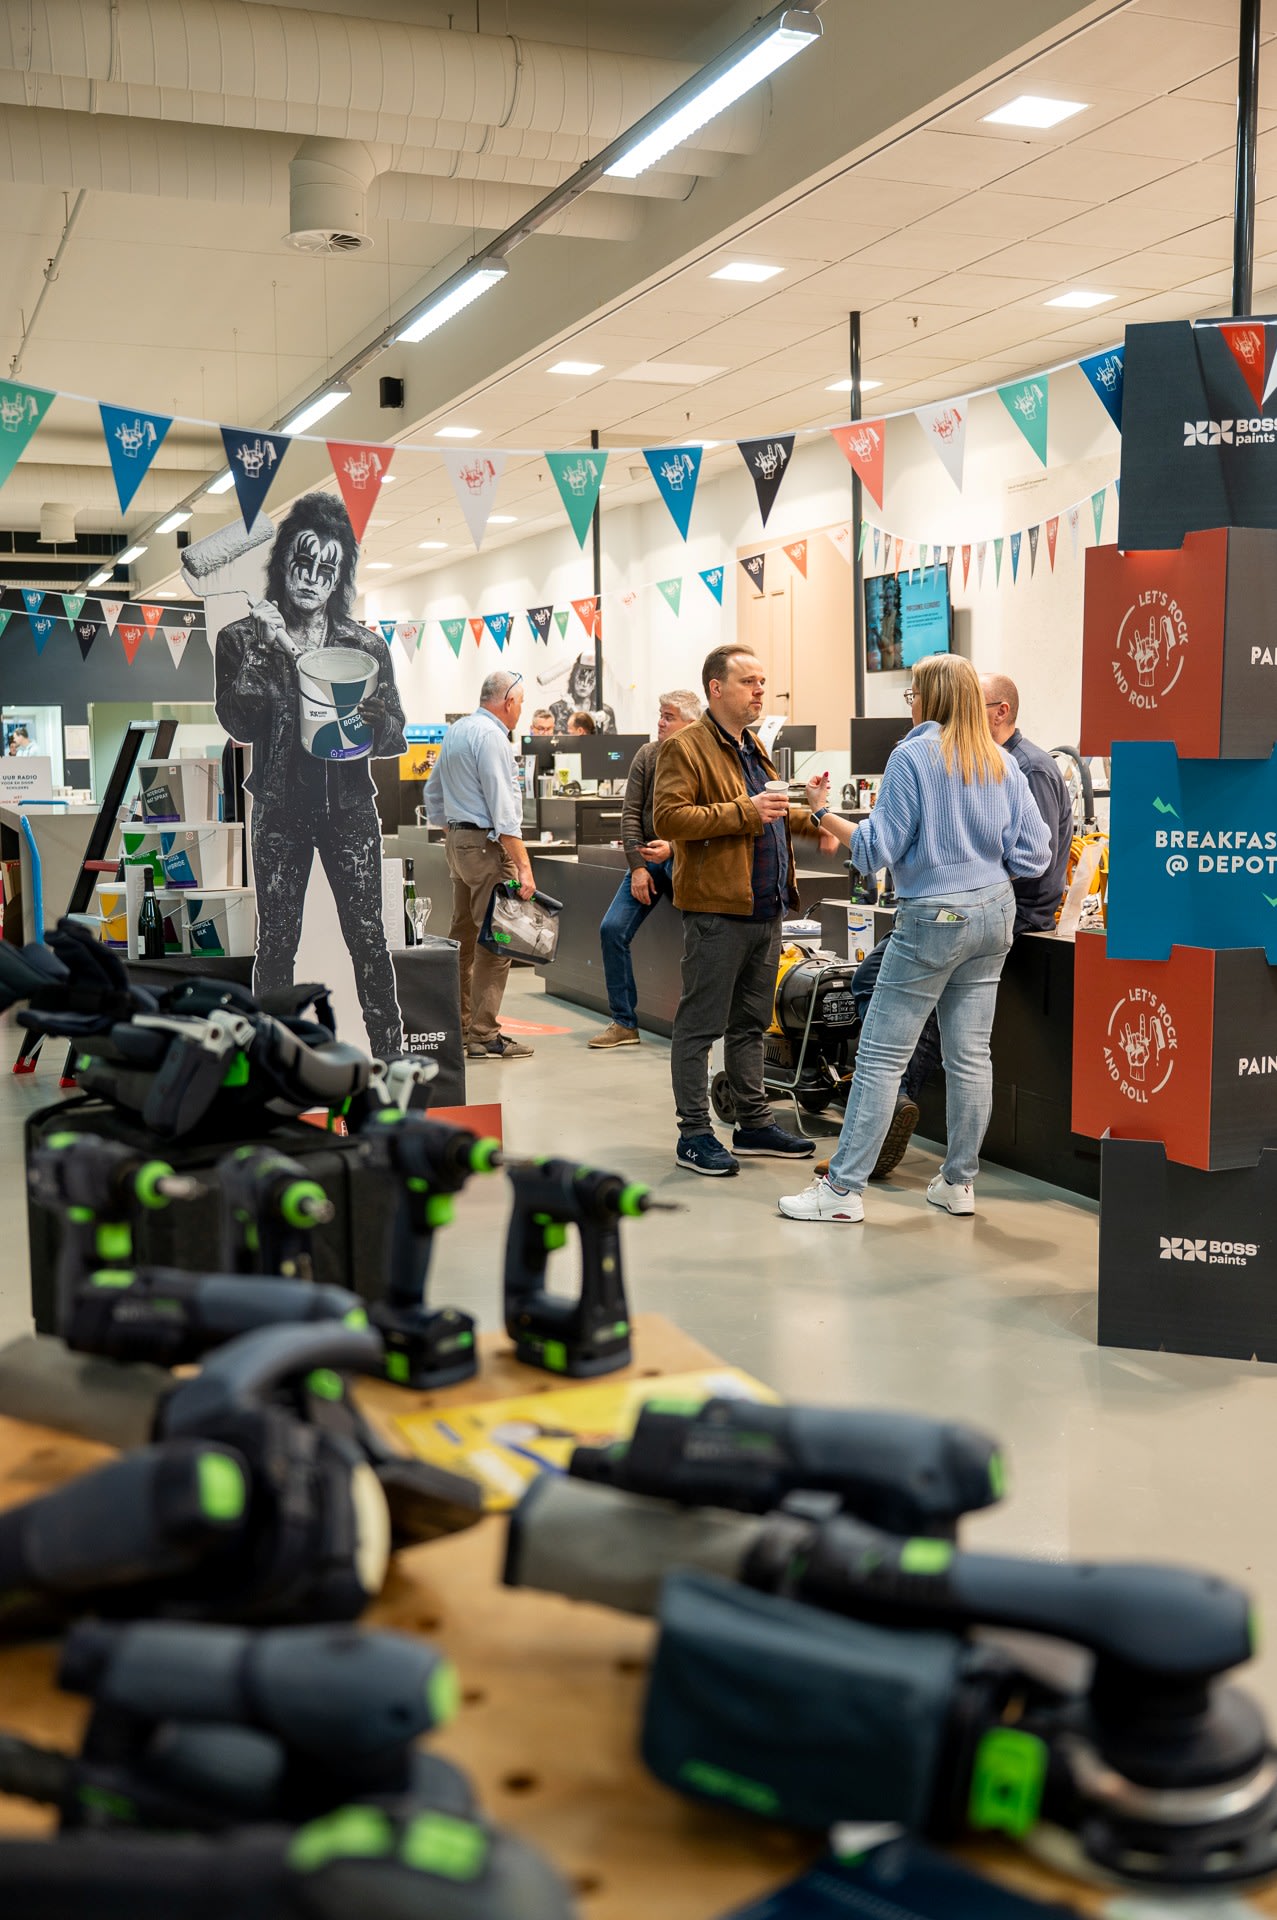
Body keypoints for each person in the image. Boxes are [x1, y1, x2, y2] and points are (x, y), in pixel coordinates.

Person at [778, 653, 1050, 1223]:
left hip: (934, 917)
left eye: (912, 695)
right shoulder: (1002, 762)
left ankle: (843, 1192)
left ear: (928, 698)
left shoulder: (914, 755)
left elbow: (876, 848)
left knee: (880, 1056)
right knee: (971, 1056)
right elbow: (1035, 854)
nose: (910, 706)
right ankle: (958, 1183)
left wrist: (822, 811)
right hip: (995, 915)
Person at [214, 493, 407, 1058]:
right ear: (283, 564)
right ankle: (267, 1064)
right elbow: (239, 722)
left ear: (341, 573)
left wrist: (376, 721)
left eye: (328, 567)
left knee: (370, 940)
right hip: (280, 809)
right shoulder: (242, 639)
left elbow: (394, 733)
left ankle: (391, 1063)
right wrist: (265, 650)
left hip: (350, 808)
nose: (312, 578)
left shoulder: (363, 646)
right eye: (302, 562)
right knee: (275, 943)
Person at [653, 646, 827, 1176]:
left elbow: (765, 811)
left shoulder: (753, 745)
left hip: (766, 907)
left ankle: (752, 1122)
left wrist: (808, 817)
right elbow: (670, 818)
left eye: (762, 681)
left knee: (750, 1023)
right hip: (717, 911)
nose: (760, 691)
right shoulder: (685, 748)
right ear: (716, 689)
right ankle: (694, 1133)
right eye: (749, 681)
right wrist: (745, 812)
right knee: (700, 1025)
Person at [424, 668, 538, 1062]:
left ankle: (458, 1024)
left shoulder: (457, 730)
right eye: (521, 704)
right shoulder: (492, 736)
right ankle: (484, 1034)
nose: (520, 711)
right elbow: (503, 808)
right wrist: (523, 866)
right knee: (498, 941)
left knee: (464, 937)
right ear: (508, 702)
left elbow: (432, 790)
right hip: (487, 847)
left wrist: (455, 830)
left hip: (458, 843)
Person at [589, 689, 701, 1051]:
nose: (660, 722)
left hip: (689, 859)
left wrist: (675, 847)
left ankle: (701, 1027)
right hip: (648, 860)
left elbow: (710, 820)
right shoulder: (648, 755)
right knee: (612, 929)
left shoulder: (704, 758)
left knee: (703, 940)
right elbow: (630, 815)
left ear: (691, 723)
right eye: (660, 714)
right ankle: (624, 1023)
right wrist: (638, 868)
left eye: (668, 716)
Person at [545, 653, 616, 733]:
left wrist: (605, 723)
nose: (584, 684)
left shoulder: (606, 711)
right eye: (581, 678)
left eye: (590, 680)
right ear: (573, 677)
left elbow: (612, 742)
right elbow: (554, 738)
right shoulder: (557, 708)